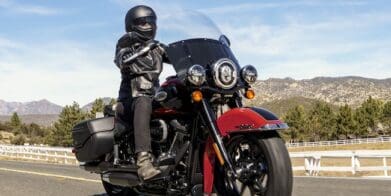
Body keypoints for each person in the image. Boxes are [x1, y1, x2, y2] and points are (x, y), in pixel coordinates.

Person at [114, 5, 164, 181]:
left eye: (151, 21)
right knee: (143, 99)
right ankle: (143, 160)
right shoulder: (125, 44)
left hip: (154, 96)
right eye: (143, 22)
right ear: (132, 25)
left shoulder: (156, 48)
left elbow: (177, 55)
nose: (148, 25)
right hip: (130, 100)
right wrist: (130, 56)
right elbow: (121, 59)